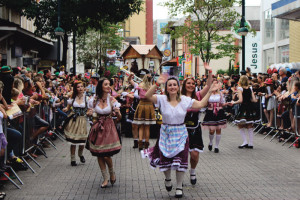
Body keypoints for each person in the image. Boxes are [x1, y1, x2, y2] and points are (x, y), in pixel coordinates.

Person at [141, 74, 220, 198]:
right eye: (170, 85)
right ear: (166, 88)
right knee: (165, 159)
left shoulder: (185, 100)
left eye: (174, 85)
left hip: (181, 133)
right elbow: (147, 96)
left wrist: (209, 91)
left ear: (178, 87)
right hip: (165, 132)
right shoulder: (161, 99)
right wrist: (156, 84)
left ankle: (179, 187)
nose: (172, 87)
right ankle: (167, 179)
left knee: (181, 160)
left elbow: (200, 104)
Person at [86, 78, 122, 188]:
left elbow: (119, 118)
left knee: (106, 155)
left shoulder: (112, 100)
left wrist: (118, 113)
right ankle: (105, 178)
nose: (108, 86)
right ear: (100, 86)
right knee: (99, 154)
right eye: (105, 84)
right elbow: (88, 113)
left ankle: (112, 172)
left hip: (109, 128)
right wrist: (89, 113)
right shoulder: (94, 100)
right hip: (97, 127)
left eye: (109, 84)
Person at [181, 62, 212, 185]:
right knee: (182, 155)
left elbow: (208, 86)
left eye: (193, 83)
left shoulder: (198, 95)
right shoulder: (179, 96)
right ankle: (180, 176)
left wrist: (210, 72)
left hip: (194, 128)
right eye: (188, 83)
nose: (191, 85)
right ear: (184, 85)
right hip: (181, 129)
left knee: (194, 154)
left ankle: (192, 171)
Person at [62, 81, 89, 166]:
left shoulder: (87, 98)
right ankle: (72, 159)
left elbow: (89, 109)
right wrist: (66, 109)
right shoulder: (73, 97)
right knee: (73, 140)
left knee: (81, 140)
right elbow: (68, 107)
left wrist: (89, 113)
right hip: (74, 119)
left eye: (81, 86)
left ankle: (80, 154)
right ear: (75, 89)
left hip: (82, 119)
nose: (80, 88)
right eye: (78, 87)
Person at [128, 71, 156, 150]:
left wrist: (131, 75)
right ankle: (146, 143)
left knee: (141, 126)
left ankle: (140, 142)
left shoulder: (139, 85)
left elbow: (130, 80)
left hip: (141, 105)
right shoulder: (152, 87)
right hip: (149, 106)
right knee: (147, 127)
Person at [231, 75, 260, 149]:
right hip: (250, 107)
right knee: (250, 125)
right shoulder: (250, 88)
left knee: (240, 124)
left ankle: (245, 142)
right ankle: (251, 143)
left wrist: (233, 102)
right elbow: (254, 100)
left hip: (243, 107)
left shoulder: (240, 88)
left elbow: (241, 100)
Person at [202, 80, 228, 153]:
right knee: (212, 130)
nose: (216, 86)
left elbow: (222, 103)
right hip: (210, 112)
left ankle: (216, 146)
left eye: (217, 84)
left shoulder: (220, 94)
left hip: (219, 112)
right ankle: (210, 142)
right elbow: (205, 103)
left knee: (219, 129)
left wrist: (227, 104)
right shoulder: (209, 93)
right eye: (214, 84)